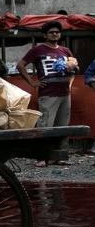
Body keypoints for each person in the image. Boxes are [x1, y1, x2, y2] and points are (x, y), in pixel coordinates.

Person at [16, 21, 79, 167]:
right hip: (48, 93)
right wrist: (32, 82)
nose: (55, 34)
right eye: (51, 32)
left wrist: (70, 75)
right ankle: (42, 157)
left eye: (57, 32)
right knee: (45, 126)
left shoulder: (65, 51)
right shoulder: (38, 50)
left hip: (65, 93)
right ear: (45, 35)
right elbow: (20, 65)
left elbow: (75, 68)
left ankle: (61, 157)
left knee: (62, 126)